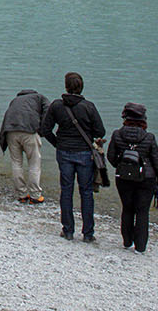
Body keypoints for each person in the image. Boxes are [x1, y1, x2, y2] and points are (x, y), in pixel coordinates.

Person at [40, 71, 105, 242]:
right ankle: (88, 233)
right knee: (86, 192)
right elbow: (100, 132)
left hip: (64, 152)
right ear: (81, 87)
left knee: (66, 191)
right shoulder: (88, 107)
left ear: (66, 87)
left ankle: (68, 230)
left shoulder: (57, 106)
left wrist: (58, 143)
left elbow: (45, 130)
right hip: (84, 153)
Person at [107, 102, 158, 252]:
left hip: (123, 177)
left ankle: (127, 241)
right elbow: (156, 162)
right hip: (146, 179)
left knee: (127, 208)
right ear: (144, 120)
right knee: (142, 211)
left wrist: (120, 165)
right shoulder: (149, 137)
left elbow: (110, 156)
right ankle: (140, 246)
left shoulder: (117, 134)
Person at [0, 87, 48, 204]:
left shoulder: (15, 100)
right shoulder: (39, 97)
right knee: (34, 163)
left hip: (10, 131)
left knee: (16, 162)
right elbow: (48, 111)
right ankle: (35, 195)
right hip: (29, 131)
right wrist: (42, 130)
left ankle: (22, 194)